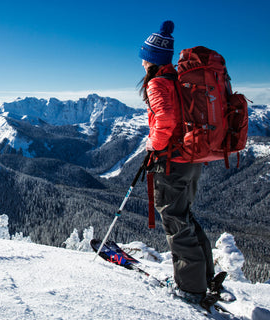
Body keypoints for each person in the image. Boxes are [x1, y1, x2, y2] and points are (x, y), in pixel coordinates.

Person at [138, 20, 216, 303]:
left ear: (151, 59)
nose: (142, 63)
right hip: (193, 158)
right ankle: (204, 278)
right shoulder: (177, 80)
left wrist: (152, 145)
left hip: (173, 162)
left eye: (144, 58)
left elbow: (166, 121)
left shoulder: (158, 83)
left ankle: (190, 289)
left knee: (174, 220)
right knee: (184, 216)